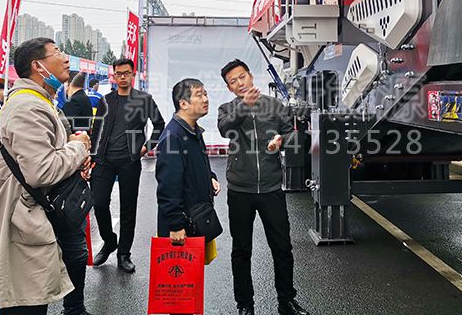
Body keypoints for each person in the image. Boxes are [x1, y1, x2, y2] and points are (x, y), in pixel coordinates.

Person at [0, 37, 92, 315]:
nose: (66, 58)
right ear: (38, 66)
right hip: (21, 217)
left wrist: (75, 156)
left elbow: (44, 155)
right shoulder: (28, 106)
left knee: (30, 296)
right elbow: (42, 170)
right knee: (25, 301)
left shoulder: (41, 101)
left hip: (33, 212)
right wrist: (77, 148)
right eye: (57, 52)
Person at [218, 59, 309, 315]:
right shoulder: (227, 109)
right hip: (240, 189)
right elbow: (224, 129)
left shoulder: (275, 105)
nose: (239, 83)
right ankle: (245, 304)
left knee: (282, 247)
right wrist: (244, 107)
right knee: (241, 250)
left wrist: (281, 141)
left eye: (242, 76)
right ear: (229, 87)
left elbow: (293, 136)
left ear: (250, 76)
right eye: (233, 81)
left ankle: (286, 301)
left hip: (271, 188)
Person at [90, 58, 165, 272]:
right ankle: (109, 241)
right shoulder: (106, 100)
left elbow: (159, 124)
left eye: (126, 73)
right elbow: (97, 129)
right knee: (99, 203)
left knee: (128, 208)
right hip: (103, 160)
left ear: (133, 74)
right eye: (118, 73)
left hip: (129, 161)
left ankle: (124, 253)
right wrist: (92, 156)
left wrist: (146, 147)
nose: (122, 77)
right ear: (114, 76)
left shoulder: (144, 100)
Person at [156, 78, 221, 243]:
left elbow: (195, 164)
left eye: (206, 94)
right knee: (182, 261)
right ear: (183, 104)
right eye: (199, 95)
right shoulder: (173, 137)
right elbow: (168, 185)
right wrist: (176, 225)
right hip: (182, 226)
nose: (205, 99)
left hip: (197, 217)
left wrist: (210, 177)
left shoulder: (192, 130)